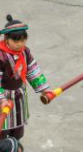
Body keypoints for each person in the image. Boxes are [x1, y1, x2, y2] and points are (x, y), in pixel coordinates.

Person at [0, 14, 51, 142]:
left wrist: (44, 90)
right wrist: (2, 100)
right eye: (16, 41)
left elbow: (33, 70)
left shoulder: (25, 52)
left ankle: (15, 151)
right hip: (3, 97)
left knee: (17, 129)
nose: (20, 44)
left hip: (19, 95)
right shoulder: (1, 56)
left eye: (23, 40)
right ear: (6, 38)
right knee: (2, 129)